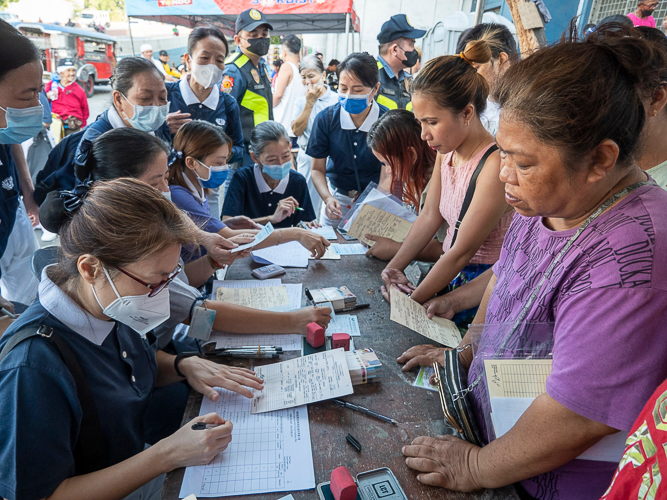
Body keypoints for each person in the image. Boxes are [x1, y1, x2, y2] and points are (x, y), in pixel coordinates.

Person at [398, 27, 667, 500]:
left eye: (523, 163)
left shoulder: (635, 254)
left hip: (552, 480)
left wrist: (476, 465)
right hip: (502, 430)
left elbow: (580, 414)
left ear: (600, 159)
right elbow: (507, 276)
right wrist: (466, 353)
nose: (504, 175)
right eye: (503, 153)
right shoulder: (548, 200)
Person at [0, 177, 265, 500]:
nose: (161, 295)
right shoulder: (32, 367)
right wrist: (167, 453)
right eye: (155, 282)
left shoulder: (107, 304)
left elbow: (123, 363)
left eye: (170, 279)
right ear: (90, 268)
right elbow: (41, 494)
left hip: (135, 460)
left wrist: (183, 364)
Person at [75, 127, 332, 347]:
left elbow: (183, 281)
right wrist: (292, 321)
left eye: (165, 179)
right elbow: (198, 314)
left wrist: (213, 261)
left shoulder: (155, 221)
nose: (167, 191)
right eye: (155, 185)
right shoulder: (135, 242)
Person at [380, 37, 513, 328]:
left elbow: (463, 250)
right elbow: (430, 216)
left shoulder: (493, 164)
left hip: (478, 286)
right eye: (420, 123)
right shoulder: (448, 150)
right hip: (447, 272)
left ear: (466, 113)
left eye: (432, 122)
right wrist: (393, 268)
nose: (424, 135)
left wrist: (410, 301)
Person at [169, 120, 329, 258]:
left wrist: (228, 225)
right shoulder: (180, 196)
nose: (225, 168)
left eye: (226, 161)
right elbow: (227, 236)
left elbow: (219, 229)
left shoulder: (199, 190)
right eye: (219, 163)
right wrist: (296, 234)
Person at [165, 25, 246, 220]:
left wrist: (218, 157)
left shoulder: (227, 103)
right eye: (204, 58)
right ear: (188, 59)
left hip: (210, 190)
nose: (212, 65)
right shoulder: (166, 95)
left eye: (219, 60)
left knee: (210, 234)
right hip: (167, 186)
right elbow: (142, 139)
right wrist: (162, 127)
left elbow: (239, 147)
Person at [307, 52, 389, 227]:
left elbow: (389, 172)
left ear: (375, 89)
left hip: (377, 202)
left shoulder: (387, 122)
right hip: (337, 203)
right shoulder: (326, 119)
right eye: (343, 89)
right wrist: (328, 198)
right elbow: (317, 170)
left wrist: (375, 202)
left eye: (358, 90)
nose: (349, 95)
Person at [0, 20, 44, 305]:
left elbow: (11, 139)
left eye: (39, 92)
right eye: (27, 96)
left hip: (10, 201)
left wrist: (27, 192)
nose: (37, 106)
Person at [364, 109, 443, 262]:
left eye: (388, 163)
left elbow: (445, 249)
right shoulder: (412, 178)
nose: (388, 171)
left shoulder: (439, 184)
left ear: (411, 155)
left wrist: (395, 249)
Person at [74, 56, 171, 173]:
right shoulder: (97, 144)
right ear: (119, 99)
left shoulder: (160, 128)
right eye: (145, 98)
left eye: (162, 98)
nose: (157, 106)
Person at [223, 121, 318, 228]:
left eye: (286, 156)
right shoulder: (243, 178)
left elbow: (304, 221)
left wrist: (306, 225)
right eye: (272, 160)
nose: (281, 164)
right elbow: (227, 223)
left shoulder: (297, 181)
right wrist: (271, 219)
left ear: (290, 147)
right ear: (255, 157)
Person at [222, 8, 274, 167]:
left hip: (263, 150)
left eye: (264, 34)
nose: (261, 38)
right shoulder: (233, 70)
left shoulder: (262, 65)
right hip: (243, 155)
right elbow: (222, 114)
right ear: (238, 40)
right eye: (253, 35)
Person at [290, 55, 338, 213]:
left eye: (311, 76)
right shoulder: (300, 102)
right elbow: (296, 131)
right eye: (303, 77)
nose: (308, 82)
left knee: (331, 204)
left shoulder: (336, 100)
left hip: (333, 158)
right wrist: (309, 102)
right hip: (308, 157)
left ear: (323, 75)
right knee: (307, 204)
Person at [456, 23, 518, 136]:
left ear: (502, 59)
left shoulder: (527, 107)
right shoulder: (475, 107)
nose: (469, 78)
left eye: (475, 69)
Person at [375, 14, 426, 110]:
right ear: (394, 50)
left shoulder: (409, 81)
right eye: (411, 44)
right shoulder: (370, 76)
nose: (414, 50)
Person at [273, 34, 305, 143]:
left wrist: (267, 106)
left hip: (284, 124)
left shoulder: (286, 67)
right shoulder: (301, 69)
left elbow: (278, 95)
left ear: (284, 52)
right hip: (296, 125)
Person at [45, 60, 89, 135]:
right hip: (56, 126)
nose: (72, 73)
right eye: (68, 71)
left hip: (74, 127)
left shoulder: (78, 90)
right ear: (61, 73)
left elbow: (85, 111)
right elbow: (40, 103)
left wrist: (83, 126)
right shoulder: (51, 86)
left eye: (73, 70)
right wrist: (47, 96)